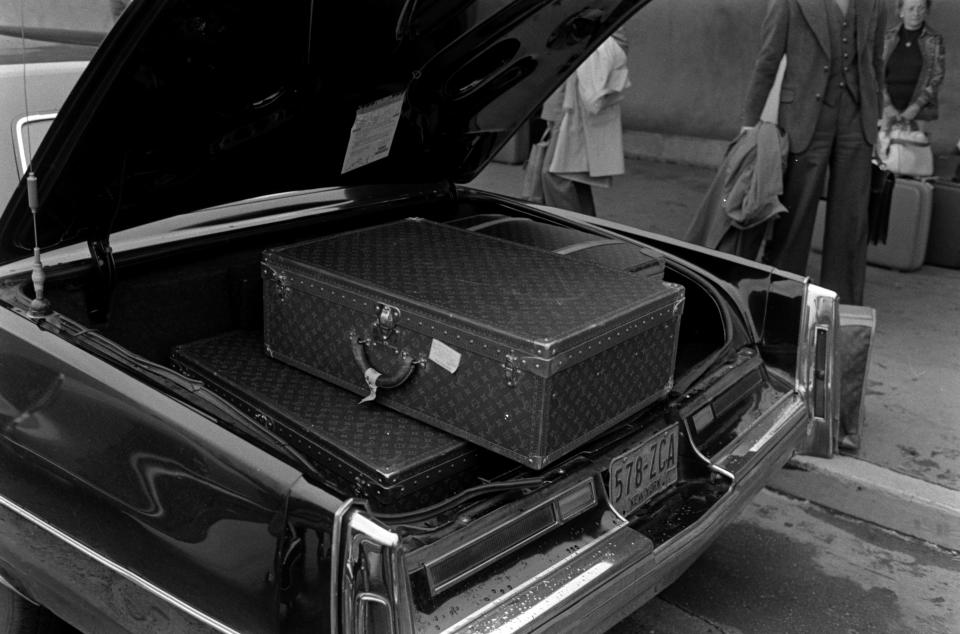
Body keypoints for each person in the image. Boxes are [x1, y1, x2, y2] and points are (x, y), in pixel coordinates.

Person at [741, 0, 886, 306]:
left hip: (857, 121)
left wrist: (879, 118)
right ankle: (782, 301)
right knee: (795, 213)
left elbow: (875, 61)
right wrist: (749, 122)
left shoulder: (876, 2)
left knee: (851, 219)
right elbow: (767, 59)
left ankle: (842, 304)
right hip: (804, 118)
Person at [539, 30, 630, 216]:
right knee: (570, 175)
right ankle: (585, 231)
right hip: (566, 103)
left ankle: (570, 231)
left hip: (575, 108)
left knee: (556, 175)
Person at [881, 0, 945, 132]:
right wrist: (887, 105)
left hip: (918, 110)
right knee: (884, 149)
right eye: (911, 9)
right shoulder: (887, 38)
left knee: (913, 150)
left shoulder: (935, 39)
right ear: (900, 12)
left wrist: (916, 107)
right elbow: (875, 73)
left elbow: (937, 77)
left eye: (921, 8)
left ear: (926, 11)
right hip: (886, 108)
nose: (916, 13)